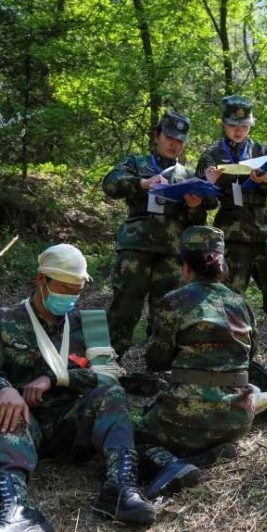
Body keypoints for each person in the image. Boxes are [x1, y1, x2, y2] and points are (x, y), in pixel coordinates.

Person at [0, 244, 174, 532]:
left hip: (70, 422)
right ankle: (17, 511)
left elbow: (108, 373)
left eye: (76, 290)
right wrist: (2, 389)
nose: (71, 297)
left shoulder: (89, 325)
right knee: (6, 412)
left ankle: (120, 490)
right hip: (23, 423)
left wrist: (56, 378)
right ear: (41, 280)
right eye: (64, 288)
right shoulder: (1, 321)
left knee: (112, 394)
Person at [136, 226, 258, 498]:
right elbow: (251, 357)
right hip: (238, 417)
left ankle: (181, 461)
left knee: (131, 436)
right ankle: (211, 451)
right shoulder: (240, 302)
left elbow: (157, 360)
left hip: (186, 416)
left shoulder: (173, 301)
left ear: (186, 266)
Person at [194, 95, 267, 368]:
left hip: (265, 233)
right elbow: (202, 204)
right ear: (223, 124)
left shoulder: (263, 152)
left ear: (251, 124)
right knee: (230, 300)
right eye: (233, 125)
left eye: (244, 124)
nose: (239, 130)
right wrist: (208, 184)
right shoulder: (212, 155)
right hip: (231, 236)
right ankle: (236, 359)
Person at [102, 109, 213, 357]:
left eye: (180, 141)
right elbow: (109, 184)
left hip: (171, 251)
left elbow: (196, 220)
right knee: (124, 306)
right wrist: (143, 183)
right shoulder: (137, 163)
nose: (174, 144)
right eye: (170, 138)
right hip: (136, 247)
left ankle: (158, 367)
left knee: (166, 310)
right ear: (157, 136)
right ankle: (108, 362)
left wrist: (195, 206)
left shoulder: (187, 175)